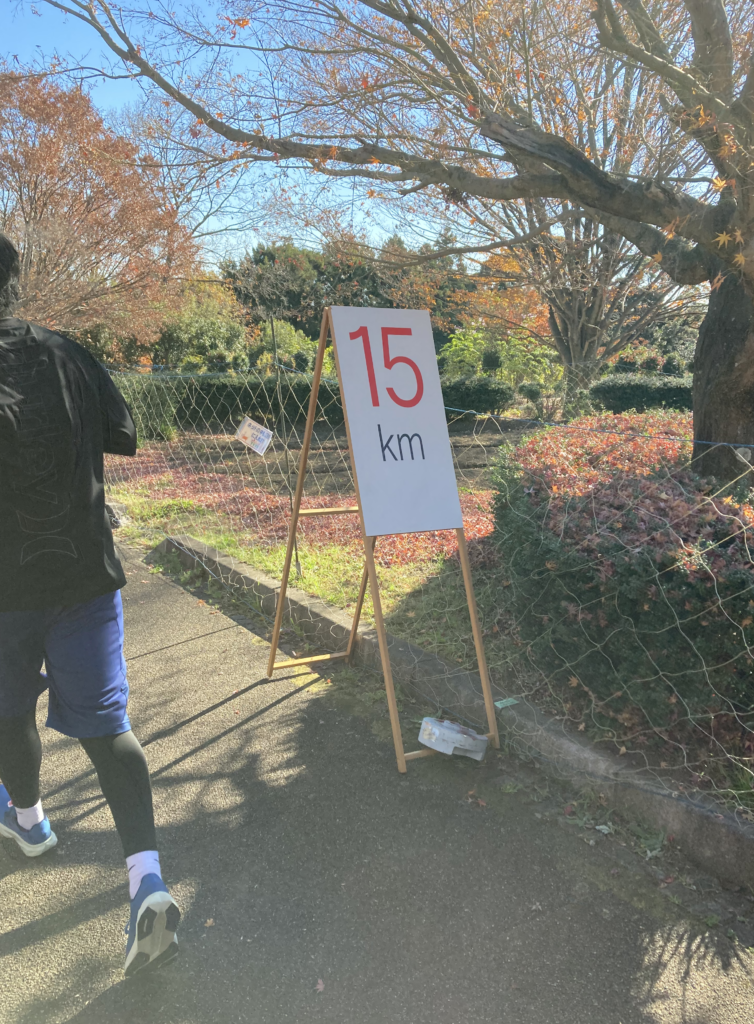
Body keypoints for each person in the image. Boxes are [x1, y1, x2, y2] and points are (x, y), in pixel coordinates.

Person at [0, 233, 179, 977]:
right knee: (109, 729)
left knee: (8, 712)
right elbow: (122, 436)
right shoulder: (69, 353)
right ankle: (147, 879)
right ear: (15, 281)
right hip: (85, 577)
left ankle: (30, 823)